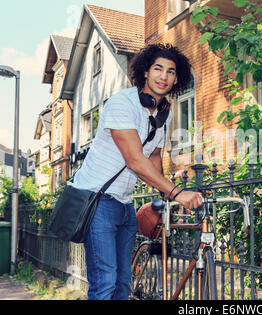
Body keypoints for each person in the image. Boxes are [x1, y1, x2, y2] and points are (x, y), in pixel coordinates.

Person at [69, 43, 203, 300]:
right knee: (105, 282)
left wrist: (166, 197)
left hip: (124, 203)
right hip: (96, 200)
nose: (163, 76)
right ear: (145, 72)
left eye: (171, 72)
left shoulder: (164, 112)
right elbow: (134, 160)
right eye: (158, 69)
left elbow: (153, 156)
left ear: (177, 78)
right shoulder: (122, 103)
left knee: (123, 283)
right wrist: (177, 193)